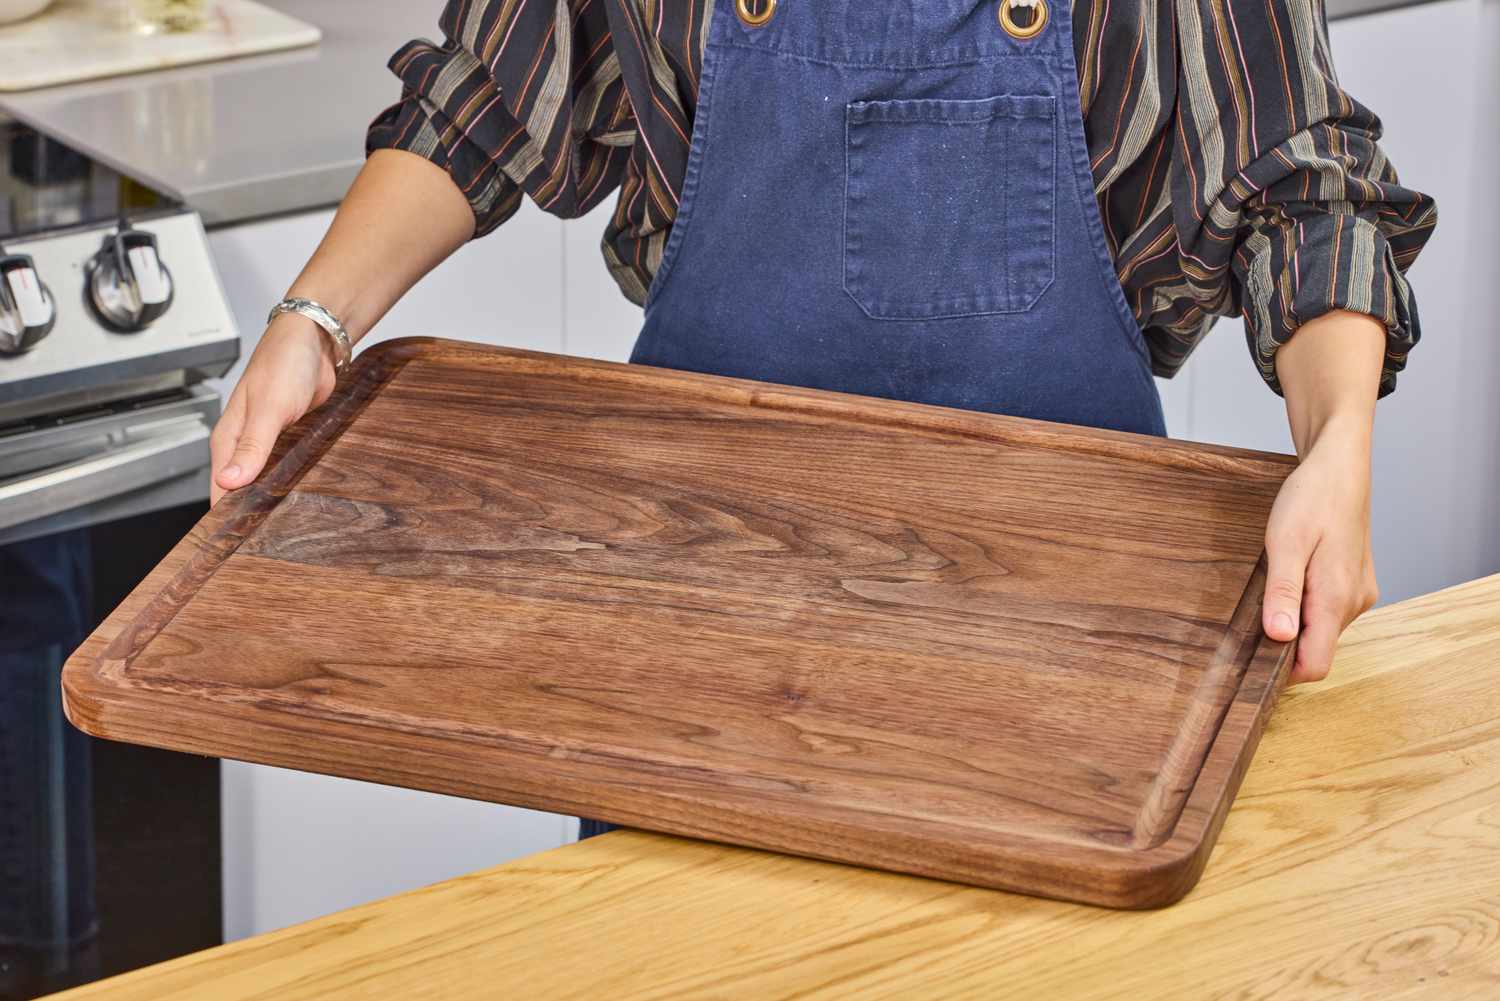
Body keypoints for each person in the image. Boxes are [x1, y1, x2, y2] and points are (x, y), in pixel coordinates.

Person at [211, 2, 1433, 737]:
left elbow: (1303, 193)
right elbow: (487, 92)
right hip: (693, 606)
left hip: (1063, 630)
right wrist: (316, 316)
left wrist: (1337, 445)